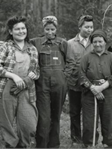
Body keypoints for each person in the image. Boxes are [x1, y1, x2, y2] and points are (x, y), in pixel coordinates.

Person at [0, 16, 40, 148]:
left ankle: (23, 145)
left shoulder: (32, 49)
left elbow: (36, 71)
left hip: (26, 89)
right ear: (11, 32)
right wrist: (13, 76)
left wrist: (27, 80)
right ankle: (11, 145)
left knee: (29, 124)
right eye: (17, 29)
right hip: (5, 88)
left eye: (23, 28)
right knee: (6, 123)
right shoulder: (5, 47)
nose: (21, 31)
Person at [30, 15, 68, 148]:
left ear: (56, 29)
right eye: (47, 29)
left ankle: (54, 145)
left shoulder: (63, 43)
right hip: (42, 85)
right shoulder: (35, 42)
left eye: (52, 29)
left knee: (56, 115)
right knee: (44, 117)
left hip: (60, 84)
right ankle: (41, 144)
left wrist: (65, 77)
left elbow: (69, 62)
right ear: (43, 28)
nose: (50, 32)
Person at [79, 29, 112, 148]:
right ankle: (89, 145)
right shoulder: (86, 58)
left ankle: (109, 144)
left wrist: (101, 88)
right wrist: (93, 88)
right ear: (92, 43)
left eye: (100, 41)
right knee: (89, 123)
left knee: (109, 122)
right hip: (89, 95)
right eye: (95, 42)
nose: (97, 44)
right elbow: (81, 75)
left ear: (105, 42)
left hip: (109, 95)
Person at [65, 15, 94, 145]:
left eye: (91, 27)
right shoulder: (70, 44)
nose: (89, 30)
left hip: (90, 84)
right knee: (74, 112)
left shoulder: (95, 43)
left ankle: (90, 138)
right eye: (86, 27)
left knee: (89, 113)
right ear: (80, 27)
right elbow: (66, 63)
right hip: (74, 84)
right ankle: (75, 138)